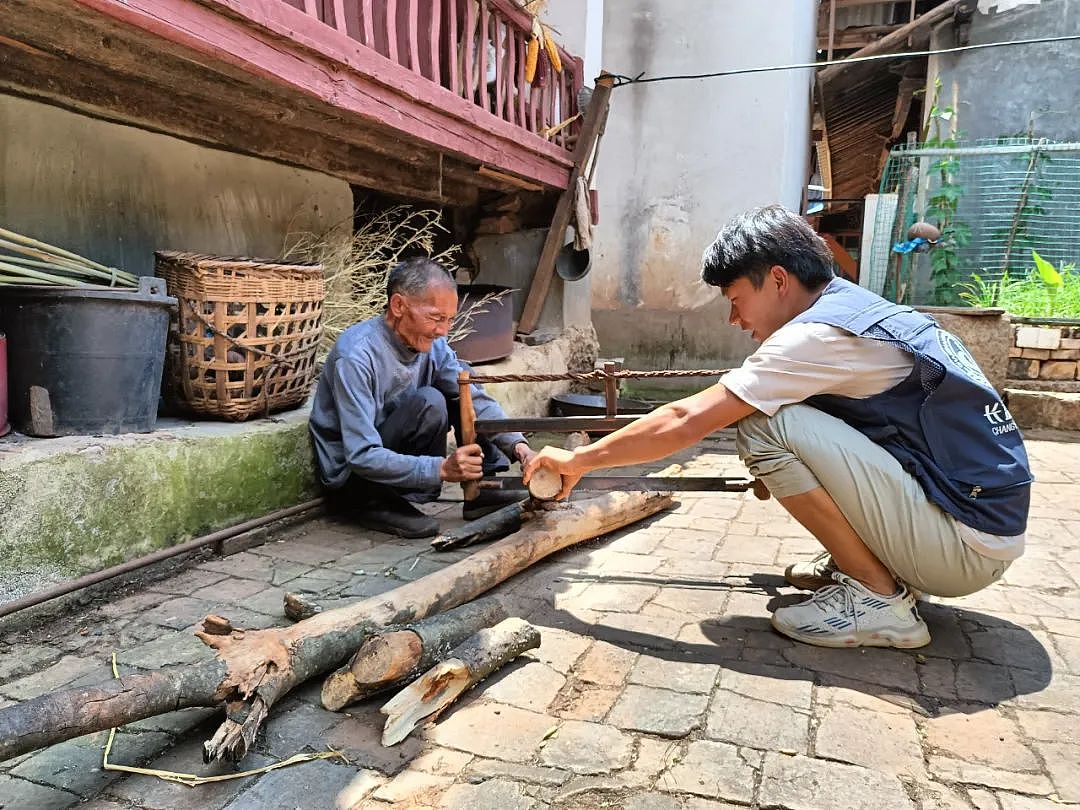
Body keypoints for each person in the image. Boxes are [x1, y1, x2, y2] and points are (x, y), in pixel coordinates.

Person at [524, 205, 1031, 650]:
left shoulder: (814, 337)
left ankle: (877, 599)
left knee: (764, 425)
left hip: (962, 549)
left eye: (736, 299)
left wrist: (579, 460)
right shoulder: (854, 307)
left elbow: (683, 420)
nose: (733, 319)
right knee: (787, 416)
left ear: (779, 280)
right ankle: (874, 568)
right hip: (975, 528)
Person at [310, 257, 534, 539]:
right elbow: (361, 454)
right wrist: (441, 468)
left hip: (393, 457)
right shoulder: (356, 356)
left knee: (460, 382)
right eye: (436, 318)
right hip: (354, 477)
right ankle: (370, 502)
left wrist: (520, 447)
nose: (443, 330)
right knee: (430, 400)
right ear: (399, 306)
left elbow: (474, 399)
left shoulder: (434, 345)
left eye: (449, 320)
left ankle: (479, 488)